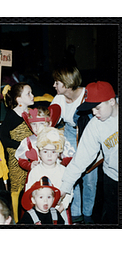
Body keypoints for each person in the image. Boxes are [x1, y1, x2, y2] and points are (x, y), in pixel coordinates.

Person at [60, 81, 118, 224]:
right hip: (113, 180)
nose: (93, 113)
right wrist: (64, 187)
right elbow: (80, 159)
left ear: (111, 101)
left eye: (97, 108)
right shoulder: (95, 125)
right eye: (91, 108)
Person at [51, 67, 98, 224]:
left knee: (90, 179)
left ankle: (88, 213)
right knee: (73, 175)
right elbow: (50, 121)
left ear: (66, 84)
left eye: (57, 82)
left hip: (89, 135)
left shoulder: (87, 94)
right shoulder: (58, 98)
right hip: (70, 134)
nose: (54, 85)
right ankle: (76, 213)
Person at [0, 82, 34, 222]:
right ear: (19, 99)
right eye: (28, 93)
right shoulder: (11, 116)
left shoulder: (31, 114)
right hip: (16, 159)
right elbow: (3, 138)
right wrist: (21, 146)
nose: (33, 96)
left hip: (31, 157)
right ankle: (15, 220)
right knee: (16, 189)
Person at [24, 127, 73, 224]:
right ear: (39, 153)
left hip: (59, 211)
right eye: (45, 152)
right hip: (39, 213)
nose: (49, 155)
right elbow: (29, 192)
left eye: (53, 152)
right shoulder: (35, 171)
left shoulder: (63, 171)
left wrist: (59, 210)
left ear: (59, 153)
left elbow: (69, 192)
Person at [15, 104, 74, 172]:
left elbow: (70, 158)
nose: (37, 127)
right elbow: (21, 159)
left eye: (41, 123)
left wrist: (61, 163)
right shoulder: (28, 141)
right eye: (34, 124)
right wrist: (29, 165)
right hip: (36, 175)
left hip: (56, 173)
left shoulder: (58, 138)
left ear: (49, 124)